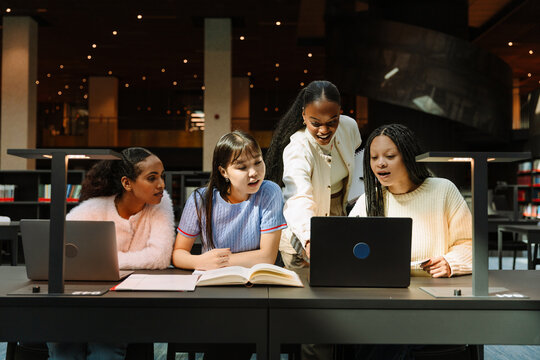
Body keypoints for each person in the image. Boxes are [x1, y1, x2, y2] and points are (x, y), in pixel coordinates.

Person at [48, 147, 175, 360]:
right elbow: (56, 250)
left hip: (122, 301)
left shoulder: (161, 204)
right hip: (80, 297)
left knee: (105, 350)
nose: (161, 184)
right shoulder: (93, 208)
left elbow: (159, 257)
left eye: (162, 176)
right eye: (152, 178)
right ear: (127, 183)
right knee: (64, 348)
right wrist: (110, 264)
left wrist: (103, 261)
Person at [349, 123, 472, 277]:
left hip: (434, 288)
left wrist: (450, 262)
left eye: (390, 156)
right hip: (383, 289)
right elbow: (348, 249)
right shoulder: (368, 200)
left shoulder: (443, 190)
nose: (380, 163)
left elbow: (469, 244)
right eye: (374, 157)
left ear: (408, 156)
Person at [265, 80, 362, 270]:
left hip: (339, 217)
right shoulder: (298, 148)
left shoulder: (349, 127)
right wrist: (310, 239)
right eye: (315, 123)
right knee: (306, 294)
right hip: (303, 228)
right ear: (303, 115)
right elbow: (298, 196)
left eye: (332, 122)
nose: (324, 131)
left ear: (340, 113)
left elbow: (357, 156)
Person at [173, 130, 286, 270]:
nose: (254, 173)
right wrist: (199, 262)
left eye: (258, 162)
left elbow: (267, 257)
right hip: (213, 282)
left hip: (256, 283)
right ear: (223, 172)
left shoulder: (269, 192)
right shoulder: (201, 199)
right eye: (242, 167)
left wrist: (216, 262)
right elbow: (178, 254)